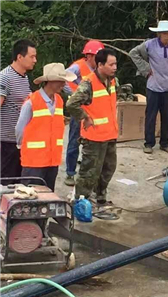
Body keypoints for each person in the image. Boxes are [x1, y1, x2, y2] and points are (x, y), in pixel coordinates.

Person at [66, 49, 118, 206]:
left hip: (109, 134)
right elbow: (71, 104)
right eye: (111, 64)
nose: (115, 67)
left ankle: (100, 196)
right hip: (94, 137)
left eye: (116, 64)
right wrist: (85, 117)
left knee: (108, 168)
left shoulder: (113, 80)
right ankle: (80, 202)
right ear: (100, 65)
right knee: (89, 172)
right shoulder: (88, 83)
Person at [129, 20, 168, 154]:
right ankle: (148, 143)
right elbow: (133, 53)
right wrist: (145, 69)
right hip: (153, 86)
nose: (167, 36)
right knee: (151, 116)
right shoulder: (149, 45)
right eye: (164, 33)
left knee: (166, 116)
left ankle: (165, 143)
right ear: (159, 34)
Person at [15, 64, 76, 191]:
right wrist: (22, 147)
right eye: (61, 81)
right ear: (50, 81)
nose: (63, 84)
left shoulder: (59, 101)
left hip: (52, 161)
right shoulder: (32, 102)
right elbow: (19, 129)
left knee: (48, 197)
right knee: (29, 198)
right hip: (33, 162)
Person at [63, 40, 105, 187]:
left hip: (94, 112)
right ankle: (70, 173)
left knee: (93, 143)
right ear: (88, 55)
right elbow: (64, 80)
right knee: (74, 141)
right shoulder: (78, 67)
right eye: (96, 56)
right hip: (79, 111)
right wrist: (77, 95)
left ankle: (89, 174)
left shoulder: (100, 69)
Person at [0, 39, 37, 183]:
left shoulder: (24, 78)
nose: (35, 60)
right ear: (20, 57)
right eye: (32, 56)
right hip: (7, 141)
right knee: (6, 183)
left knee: (18, 183)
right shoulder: (5, 77)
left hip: (21, 141)